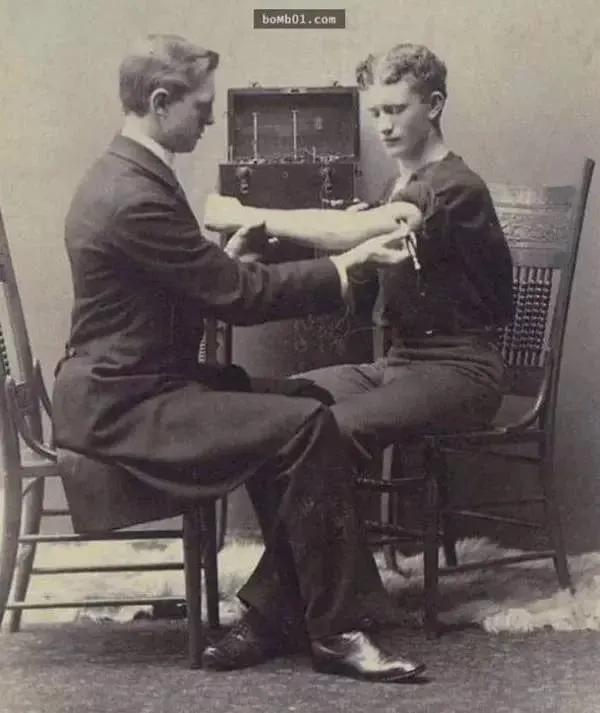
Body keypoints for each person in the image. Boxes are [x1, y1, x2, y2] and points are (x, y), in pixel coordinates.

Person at [51, 34, 428, 682]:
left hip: (135, 386)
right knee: (305, 427)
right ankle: (335, 631)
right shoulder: (133, 194)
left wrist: (227, 263)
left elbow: (179, 287)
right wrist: (345, 265)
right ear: (160, 102)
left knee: (310, 402)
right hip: (123, 406)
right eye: (201, 106)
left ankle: (276, 613)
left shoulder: (127, 174)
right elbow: (238, 298)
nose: (210, 119)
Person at [217, 43, 514, 468]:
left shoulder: (454, 186)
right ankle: (303, 518)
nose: (384, 126)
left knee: (329, 431)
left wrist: (247, 215)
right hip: (398, 364)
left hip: (463, 372)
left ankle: (325, 517)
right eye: (375, 113)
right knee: (275, 413)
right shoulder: (394, 191)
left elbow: (361, 230)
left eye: (395, 110)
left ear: (434, 105)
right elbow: (361, 288)